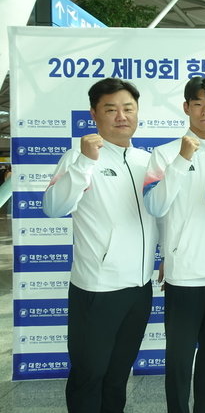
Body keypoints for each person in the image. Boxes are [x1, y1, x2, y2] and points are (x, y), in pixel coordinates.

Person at [42, 78, 159, 412]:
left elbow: (158, 214)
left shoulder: (146, 161)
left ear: (137, 113)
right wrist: (84, 162)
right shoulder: (78, 158)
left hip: (139, 288)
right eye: (111, 109)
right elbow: (53, 207)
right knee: (89, 375)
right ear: (94, 114)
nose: (121, 116)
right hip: (97, 288)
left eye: (128, 108)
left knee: (118, 375)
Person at [143, 77, 205, 413]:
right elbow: (156, 207)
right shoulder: (164, 154)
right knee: (180, 354)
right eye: (198, 103)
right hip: (184, 274)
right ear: (186, 107)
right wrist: (183, 160)